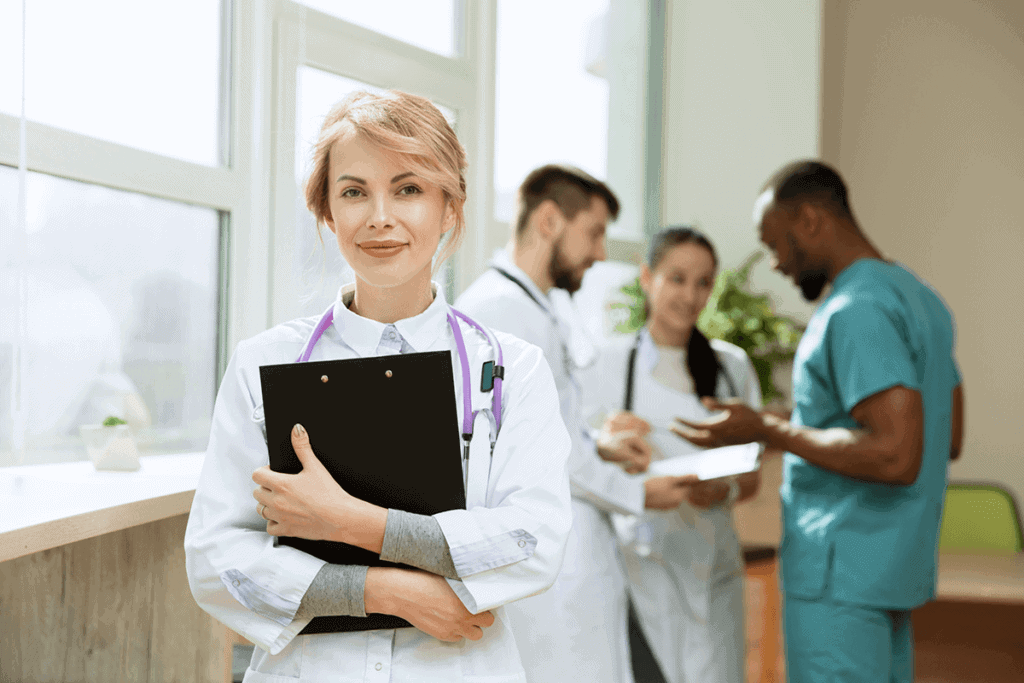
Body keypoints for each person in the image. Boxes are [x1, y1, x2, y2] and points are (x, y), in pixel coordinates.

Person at [184, 91, 574, 683]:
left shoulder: (511, 369)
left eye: (409, 188)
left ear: (450, 207)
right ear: (327, 212)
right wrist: (385, 590)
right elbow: (217, 559)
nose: (379, 216)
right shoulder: (264, 363)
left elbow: (532, 540)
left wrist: (348, 521)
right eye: (353, 191)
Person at [673, 160, 965, 683]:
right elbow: (947, 431)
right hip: (891, 575)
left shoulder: (854, 309)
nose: (777, 264)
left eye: (776, 243)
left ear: (809, 219)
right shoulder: (920, 300)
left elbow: (898, 451)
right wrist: (780, 421)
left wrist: (768, 431)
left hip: (840, 582)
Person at [456, 165, 697, 683]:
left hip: (568, 563)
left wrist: (602, 443)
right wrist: (640, 493)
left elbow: (545, 428)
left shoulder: (534, 306)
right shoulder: (501, 311)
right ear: (548, 221)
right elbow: (541, 455)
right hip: (548, 576)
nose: (601, 252)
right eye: (594, 231)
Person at [585, 227, 762, 683]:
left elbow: (753, 477)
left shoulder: (732, 367)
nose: (691, 294)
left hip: (712, 564)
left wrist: (721, 488)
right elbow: (581, 466)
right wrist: (609, 445)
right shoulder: (606, 364)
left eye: (703, 282)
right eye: (677, 278)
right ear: (647, 277)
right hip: (643, 565)